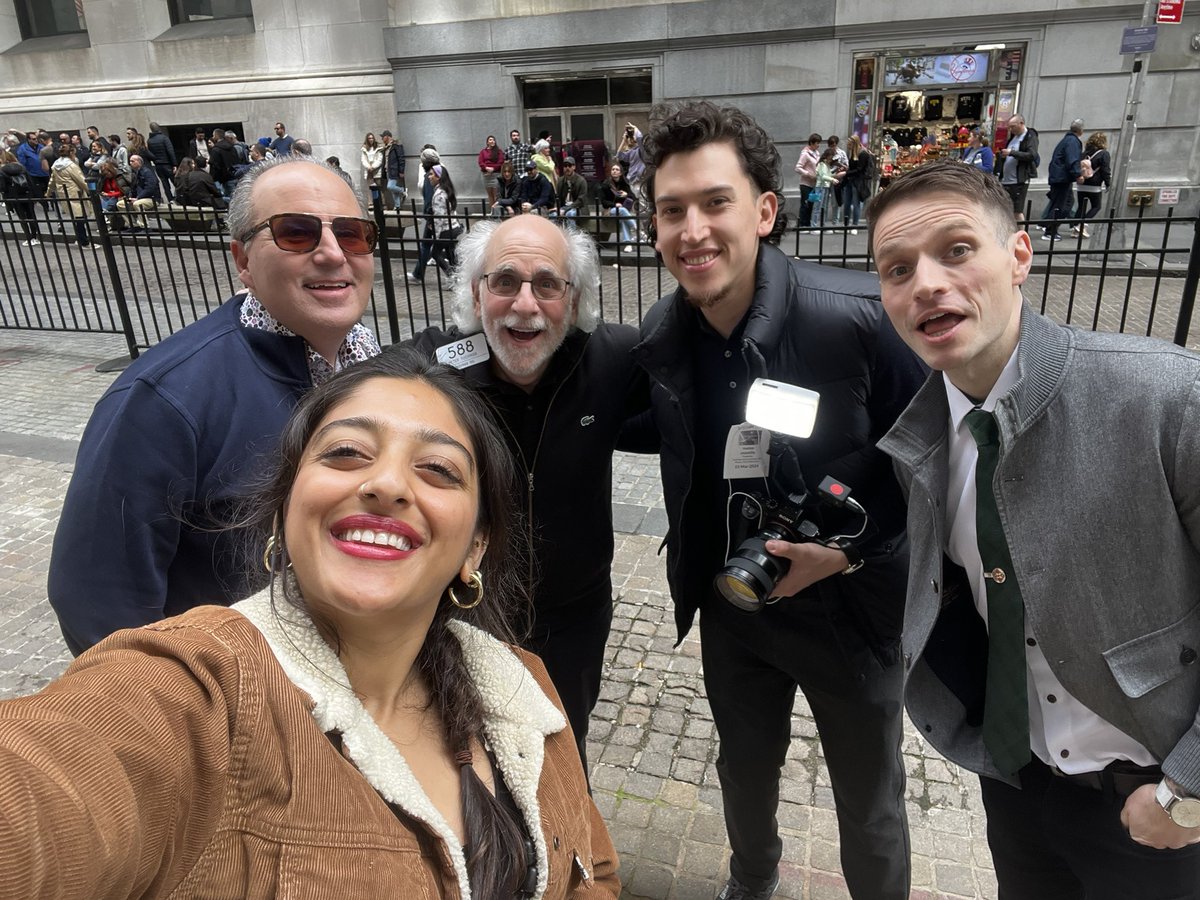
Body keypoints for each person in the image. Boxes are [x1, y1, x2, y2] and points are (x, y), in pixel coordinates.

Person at [2, 351, 620, 898]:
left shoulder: (522, 688)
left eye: (438, 469)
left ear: (475, 548)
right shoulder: (200, 692)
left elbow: (590, 869)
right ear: (286, 505)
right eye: (346, 452)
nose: (385, 484)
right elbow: (51, 787)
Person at [869, 158, 1200, 900]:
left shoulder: (1167, 399)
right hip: (1020, 784)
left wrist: (1188, 793)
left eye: (956, 250)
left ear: (1020, 256)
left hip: (1159, 803)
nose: (925, 283)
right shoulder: (920, 438)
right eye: (897, 269)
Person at [632, 100, 925, 900]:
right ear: (654, 229)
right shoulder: (664, 334)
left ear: (764, 210)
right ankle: (751, 882)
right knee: (744, 769)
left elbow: (943, 464)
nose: (693, 229)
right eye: (671, 210)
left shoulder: (862, 321)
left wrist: (851, 549)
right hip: (739, 606)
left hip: (853, 615)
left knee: (870, 806)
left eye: (714, 203)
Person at [47, 155, 382, 656]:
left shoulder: (377, 367)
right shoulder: (163, 397)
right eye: (296, 232)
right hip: (245, 708)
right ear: (242, 261)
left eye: (352, 234)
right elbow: (98, 601)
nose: (333, 253)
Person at [397, 214, 650, 770]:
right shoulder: (434, 368)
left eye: (548, 284)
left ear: (575, 296)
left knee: (563, 748)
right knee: (463, 759)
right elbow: (350, 408)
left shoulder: (611, 360)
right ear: (475, 291)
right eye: (504, 281)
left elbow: (696, 409)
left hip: (575, 614)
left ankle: (568, 853)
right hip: (463, 613)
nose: (525, 304)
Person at [409, 164, 460, 282]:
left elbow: (439, 218)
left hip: (445, 229)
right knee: (451, 255)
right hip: (452, 227)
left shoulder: (439, 194)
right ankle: (458, 277)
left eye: (432, 174)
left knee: (436, 254)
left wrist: (436, 236)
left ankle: (453, 277)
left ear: (438, 177)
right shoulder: (446, 190)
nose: (429, 177)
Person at [1042, 119, 1085, 242]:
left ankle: (1049, 227)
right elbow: (1072, 159)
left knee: (1064, 204)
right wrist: (1078, 174)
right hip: (1062, 178)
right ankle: (1049, 229)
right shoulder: (1072, 141)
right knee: (1062, 205)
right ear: (1081, 131)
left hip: (1059, 177)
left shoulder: (1067, 139)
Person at [995, 114, 1039, 221]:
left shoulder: (1029, 136)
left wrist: (1012, 153)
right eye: (1009, 127)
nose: (1011, 129)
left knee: (1017, 210)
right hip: (1006, 179)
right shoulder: (1012, 138)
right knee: (1005, 209)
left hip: (1018, 180)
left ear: (1021, 123)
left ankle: (1021, 234)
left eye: (1013, 126)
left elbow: (1032, 155)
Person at [47, 143, 91, 248]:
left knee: (75, 218)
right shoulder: (71, 166)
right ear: (71, 152)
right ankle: (84, 242)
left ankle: (80, 239)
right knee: (80, 217)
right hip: (76, 193)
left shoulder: (56, 164)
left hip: (64, 193)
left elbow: (52, 180)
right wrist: (90, 191)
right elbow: (81, 180)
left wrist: (48, 192)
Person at [1073, 130, 1112, 239]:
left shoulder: (1084, 153)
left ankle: (1075, 229)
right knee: (1096, 206)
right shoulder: (1104, 154)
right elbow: (1105, 170)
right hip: (1094, 185)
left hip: (1081, 183)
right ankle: (1082, 224)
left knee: (1081, 207)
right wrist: (1108, 183)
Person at [0, 148, 41, 245]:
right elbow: (30, 182)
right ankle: (35, 236)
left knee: (22, 217)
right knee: (31, 215)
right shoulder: (21, 168)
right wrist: (34, 194)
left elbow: (2, 187)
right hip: (27, 194)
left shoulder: (2, 171)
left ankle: (28, 237)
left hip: (14, 196)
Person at [599, 161, 637, 251]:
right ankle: (636, 228)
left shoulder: (624, 184)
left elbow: (633, 198)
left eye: (617, 169)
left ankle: (628, 244)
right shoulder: (606, 184)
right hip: (609, 211)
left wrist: (626, 194)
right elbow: (603, 202)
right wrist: (615, 205)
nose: (614, 171)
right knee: (622, 210)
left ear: (620, 173)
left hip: (622, 213)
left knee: (624, 219)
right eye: (613, 169)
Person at [840, 134, 873, 234]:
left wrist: (846, 172)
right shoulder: (852, 153)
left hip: (858, 182)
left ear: (854, 144)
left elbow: (860, 169)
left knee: (856, 203)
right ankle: (846, 224)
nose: (848, 146)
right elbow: (853, 167)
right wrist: (846, 170)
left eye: (849, 145)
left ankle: (855, 224)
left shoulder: (863, 154)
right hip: (850, 180)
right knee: (847, 203)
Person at [793, 132, 821, 230]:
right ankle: (802, 224)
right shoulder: (805, 153)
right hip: (805, 183)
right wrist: (808, 174)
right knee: (805, 203)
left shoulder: (817, 153)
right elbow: (798, 167)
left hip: (814, 183)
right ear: (812, 143)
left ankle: (807, 223)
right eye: (817, 143)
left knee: (811, 203)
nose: (818, 145)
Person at [146, 123, 177, 202]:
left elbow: (151, 153)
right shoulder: (164, 138)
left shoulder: (150, 141)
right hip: (167, 163)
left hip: (158, 165)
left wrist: (155, 160)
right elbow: (170, 151)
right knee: (175, 181)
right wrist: (174, 164)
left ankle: (170, 199)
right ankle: (180, 197)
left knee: (165, 184)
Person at [551, 156, 588, 221]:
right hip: (564, 207)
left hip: (578, 208)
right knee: (553, 215)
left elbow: (580, 201)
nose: (567, 168)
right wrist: (557, 208)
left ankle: (571, 231)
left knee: (570, 214)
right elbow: (558, 197)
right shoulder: (560, 180)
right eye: (565, 166)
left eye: (570, 165)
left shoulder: (581, 181)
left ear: (574, 167)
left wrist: (566, 209)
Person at [380, 129, 406, 210]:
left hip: (394, 170)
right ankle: (397, 206)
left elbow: (401, 158)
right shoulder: (386, 148)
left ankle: (403, 191)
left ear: (387, 137)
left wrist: (401, 170)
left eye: (383, 137)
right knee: (394, 191)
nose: (382, 139)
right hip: (388, 171)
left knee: (390, 186)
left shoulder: (396, 146)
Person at [616, 123, 645, 192]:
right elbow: (619, 155)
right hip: (631, 180)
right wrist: (624, 139)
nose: (631, 138)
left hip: (640, 179)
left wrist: (635, 128)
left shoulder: (642, 149)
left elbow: (640, 139)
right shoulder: (632, 151)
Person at [478, 134, 503, 207]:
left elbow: (501, 162)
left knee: (496, 194)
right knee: (490, 194)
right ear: (487, 142)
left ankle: (497, 211)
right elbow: (481, 162)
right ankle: (492, 211)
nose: (492, 141)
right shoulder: (483, 151)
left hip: (495, 175)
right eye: (490, 140)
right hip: (486, 175)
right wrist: (486, 168)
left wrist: (493, 169)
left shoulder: (499, 151)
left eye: (493, 140)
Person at [361, 131, 382, 209]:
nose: (371, 139)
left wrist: (373, 167)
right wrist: (368, 167)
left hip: (376, 170)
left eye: (372, 138)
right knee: (370, 188)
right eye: (369, 138)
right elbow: (363, 160)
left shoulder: (378, 147)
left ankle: (381, 203)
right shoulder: (364, 148)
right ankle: (371, 203)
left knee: (379, 188)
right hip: (368, 170)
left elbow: (380, 159)